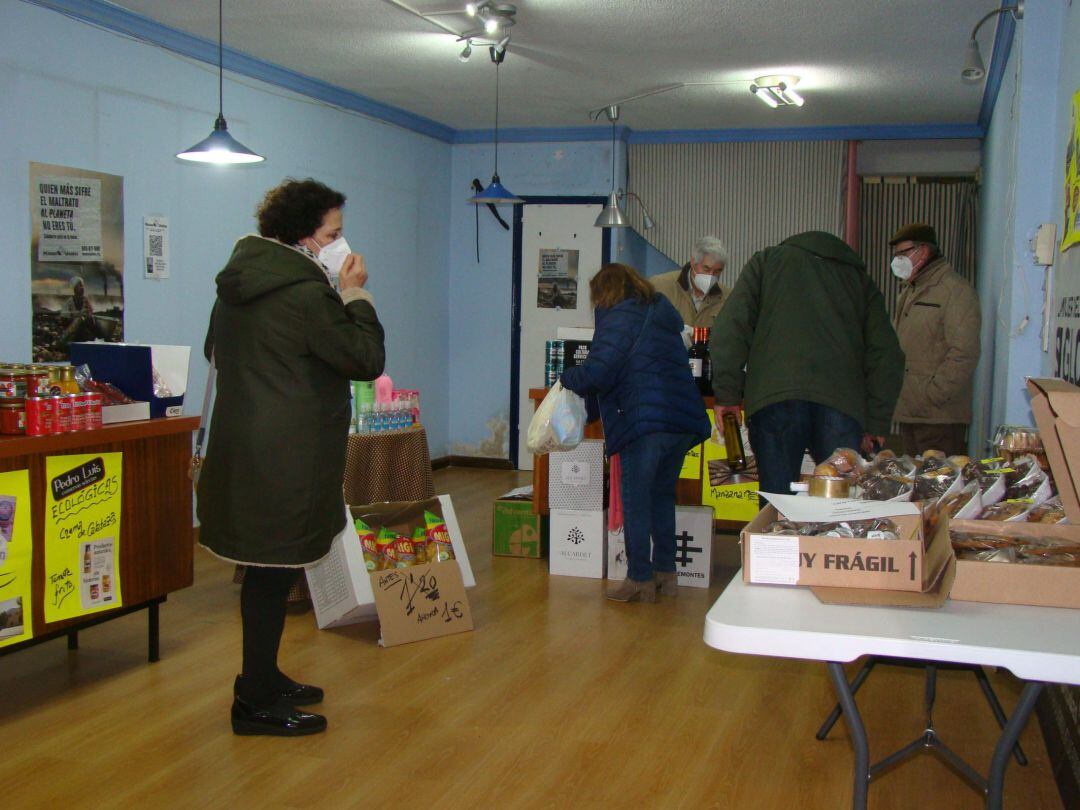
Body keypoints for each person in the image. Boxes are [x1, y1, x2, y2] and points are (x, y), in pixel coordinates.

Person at [198, 178, 385, 737]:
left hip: (249, 449)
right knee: (269, 573)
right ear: (304, 237)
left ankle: (263, 676)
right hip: (285, 455)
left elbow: (218, 350)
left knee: (268, 571)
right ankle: (254, 701)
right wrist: (355, 296)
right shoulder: (306, 293)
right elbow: (365, 358)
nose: (340, 243)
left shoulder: (239, 285)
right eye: (333, 232)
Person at [708, 231, 904, 500]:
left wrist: (728, 395)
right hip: (841, 404)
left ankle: (774, 539)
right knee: (838, 502)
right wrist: (876, 423)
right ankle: (831, 541)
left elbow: (730, 329)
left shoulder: (767, 263)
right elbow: (887, 354)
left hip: (776, 400)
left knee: (776, 501)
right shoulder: (859, 280)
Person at [560, 263, 710, 603]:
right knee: (661, 497)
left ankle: (639, 578)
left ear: (604, 292)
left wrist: (566, 378)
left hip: (645, 423)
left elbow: (600, 370)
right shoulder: (660, 313)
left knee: (636, 500)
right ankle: (666, 574)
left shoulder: (617, 315)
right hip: (680, 422)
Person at [889, 224, 981, 456]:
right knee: (916, 484)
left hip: (939, 417)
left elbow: (964, 352)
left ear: (923, 251)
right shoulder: (910, 291)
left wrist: (933, 395)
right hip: (912, 412)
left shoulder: (954, 291)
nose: (898, 260)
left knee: (938, 486)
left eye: (903, 253)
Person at [651, 236, 731, 330]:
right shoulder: (660, 286)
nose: (711, 275)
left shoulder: (727, 298)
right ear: (693, 262)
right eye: (706, 269)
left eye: (717, 271)